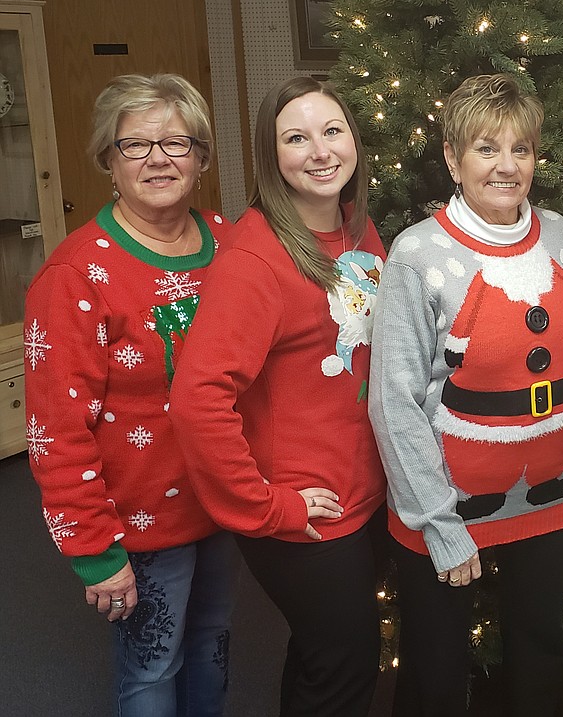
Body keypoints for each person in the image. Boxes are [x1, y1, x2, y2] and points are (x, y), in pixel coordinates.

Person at [369, 73, 563, 716]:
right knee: (436, 676)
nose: (506, 166)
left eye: (520, 149)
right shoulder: (417, 254)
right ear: (452, 157)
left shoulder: (558, 234)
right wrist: (440, 523)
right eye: (486, 149)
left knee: (539, 659)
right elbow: (394, 402)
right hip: (446, 505)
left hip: (551, 497)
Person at [168, 77, 387, 717]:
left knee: (324, 661)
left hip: (359, 494)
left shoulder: (357, 230)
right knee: (344, 672)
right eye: (296, 138)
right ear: (272, 156)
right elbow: (198, 399)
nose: (319, 151)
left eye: (331, 131)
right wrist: (267, 506)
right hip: (304, 513)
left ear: (353, 141)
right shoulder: (256, 259)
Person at [23, 73, 237, 716]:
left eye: (175, 142)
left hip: (222, 505)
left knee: (212, 650)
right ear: (108, 162)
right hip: (138, 523)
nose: (156, 158)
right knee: (151, 670)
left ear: (200, 158)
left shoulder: (230, 247)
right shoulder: (73, 275)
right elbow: (55, 431)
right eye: (134, 145)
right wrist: (93, 549)